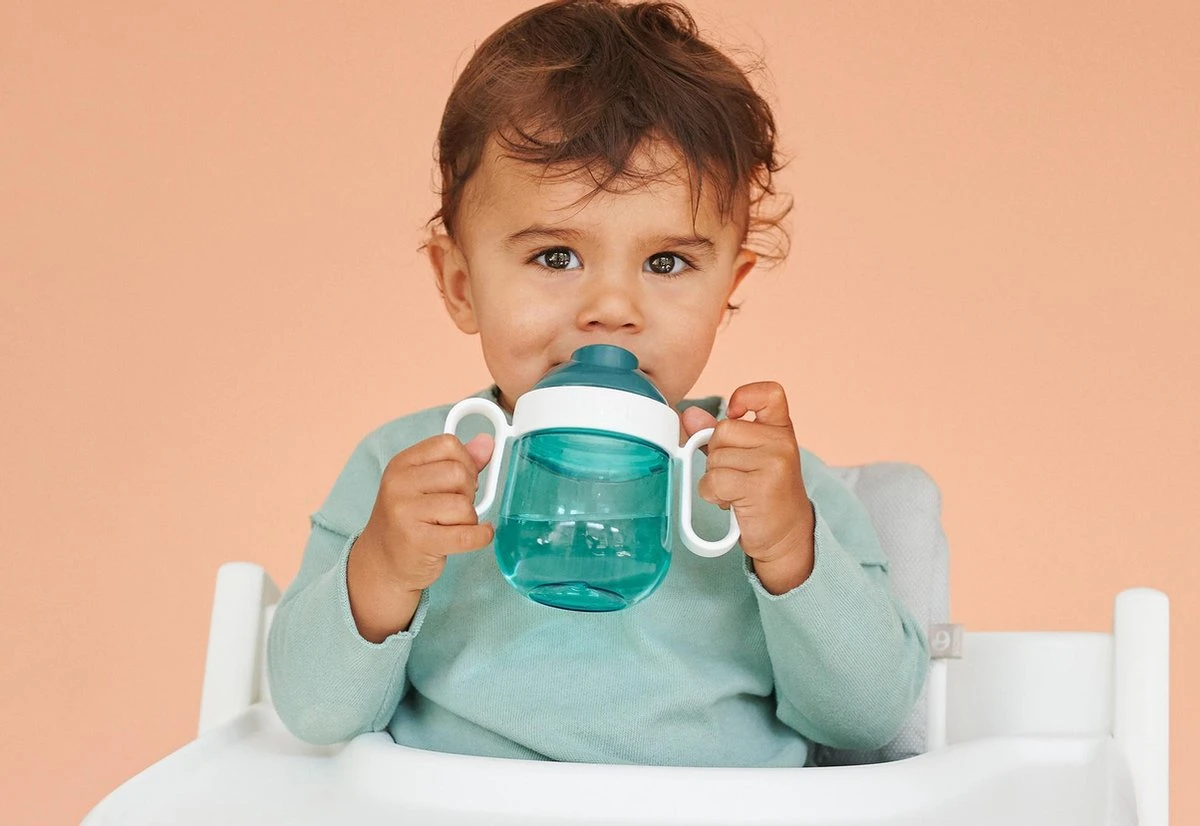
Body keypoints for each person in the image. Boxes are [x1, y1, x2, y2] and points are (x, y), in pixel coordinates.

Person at [267, 0, 928, 768]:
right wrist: (382, 571)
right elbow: (313, 715)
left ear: (728, 287)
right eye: (555, 256)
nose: (612, 307)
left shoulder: (771, 491)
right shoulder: (410, 472)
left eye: (667, 263)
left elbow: (868, 722)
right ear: (459, 284)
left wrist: (788, 549)